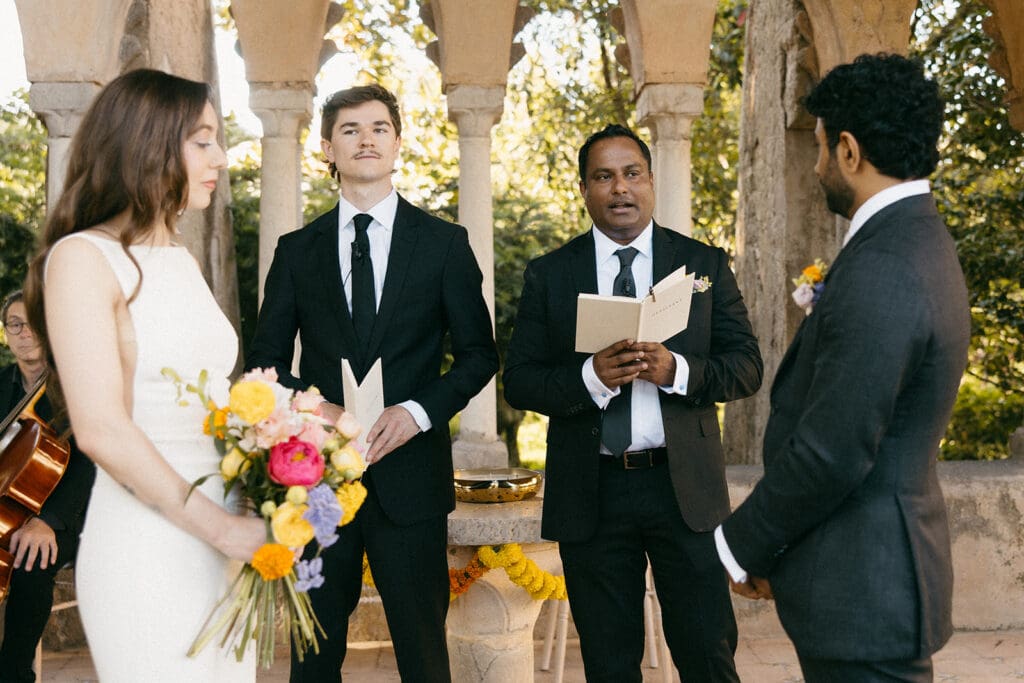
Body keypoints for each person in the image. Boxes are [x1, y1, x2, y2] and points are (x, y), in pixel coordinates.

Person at [716, 53, 970, 682]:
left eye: (822, 146)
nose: (817, 163)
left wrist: (736, 546)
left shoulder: (886, 265)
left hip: (867, 590)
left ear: (851, 151)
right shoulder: (912, 238)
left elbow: (834, 449)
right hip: (863, 580)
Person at [247, 83, 498, 683]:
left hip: (411, 481)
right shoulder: (296, 250)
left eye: (379, 128)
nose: (366, 139)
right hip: (317, 481)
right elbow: (266, 362)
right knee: (312, 658)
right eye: (351, 130)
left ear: (398, 143)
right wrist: (316, 409)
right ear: (328, 147)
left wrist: (417, 410)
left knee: (424, 657)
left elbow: (478, 354)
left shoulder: (443, 244)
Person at [23, 69, 266, 682]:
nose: (220, 156)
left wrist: (303, 424)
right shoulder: (83, 257)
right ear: (148, 144)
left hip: (226, 530)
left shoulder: (178, 257)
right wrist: (224, 530)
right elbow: (101, 428)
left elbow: (203, 392)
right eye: (203, 139)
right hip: (148, 540)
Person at [503, 123, 763, 683]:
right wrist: (590, 378)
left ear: (650, 181)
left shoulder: (702, 266)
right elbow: (519, 380)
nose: (620, 188)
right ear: (584, 189)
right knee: (609, 662)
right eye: (604, 176)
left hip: (684, 491)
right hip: (592, 492)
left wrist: (677, 371)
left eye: (631, 173)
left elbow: (747, 368)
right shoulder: (551, 274)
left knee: (708, 653)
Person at [0, 290, 95, 683]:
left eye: (31, 323)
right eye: (14, 325)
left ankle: (14, 672)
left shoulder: (73, 386)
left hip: (63, 516)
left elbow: (88, 463)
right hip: (9, 508)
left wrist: (49, 521)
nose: (24, 333)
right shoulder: (3, 384)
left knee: (29, 561)